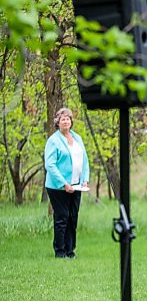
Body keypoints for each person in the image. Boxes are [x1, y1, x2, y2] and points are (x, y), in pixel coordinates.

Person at [44, 108, 89, 259]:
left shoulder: (77, 138)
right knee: (62, 217)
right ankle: (60, 251)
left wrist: (85, 179)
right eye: (62, 119)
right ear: (57, 122)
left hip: (76, 185)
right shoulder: (53, 141)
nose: (66, 121)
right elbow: (50, 165)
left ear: (71, 121)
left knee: (73, 217)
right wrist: (64, 184)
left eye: (68, 119)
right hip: (58, 187)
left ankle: (70, 251)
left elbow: (85, 160)